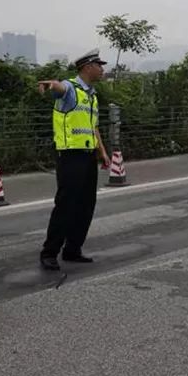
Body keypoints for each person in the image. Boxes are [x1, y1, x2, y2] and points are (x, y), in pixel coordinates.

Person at [37, 49, 112, 271]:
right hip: (70, 155)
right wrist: (52, 85)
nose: (102, 69)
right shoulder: (71, 88)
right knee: (66, 204)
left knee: (86, 204)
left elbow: (93, 126)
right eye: (99, 65)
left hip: (88, 155)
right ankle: (49, 252)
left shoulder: (91, 95)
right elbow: (59, 88)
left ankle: (73, 249)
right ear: (87, 67)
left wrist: (102, 151)